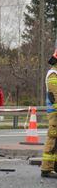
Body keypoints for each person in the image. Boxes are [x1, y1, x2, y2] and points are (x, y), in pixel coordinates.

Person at [41, 49, 57, 178]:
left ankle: (53, 166)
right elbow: (54, 95)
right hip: (55, 112)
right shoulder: (53, 74)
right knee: (52, 138)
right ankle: (46, 168)